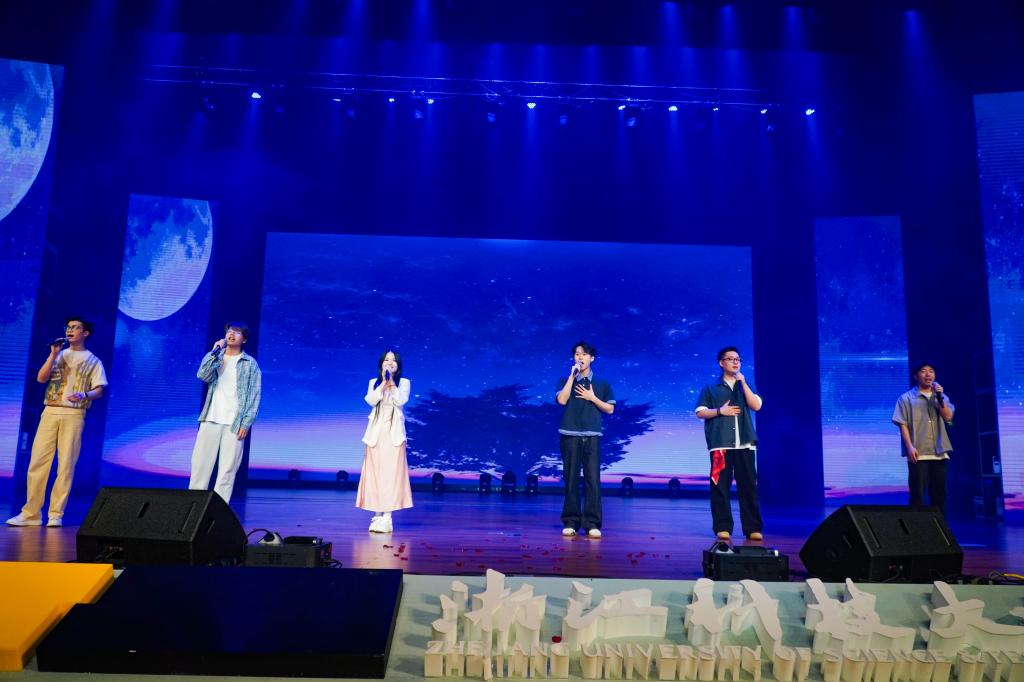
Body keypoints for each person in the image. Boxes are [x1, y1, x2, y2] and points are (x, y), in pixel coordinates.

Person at [7, 317, 108, 528]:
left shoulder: (93, 360)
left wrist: (84, 395)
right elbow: (41, 378)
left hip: (74, 414)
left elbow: (99, 389)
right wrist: (53, 354)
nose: (70, 330)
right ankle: (31, 514)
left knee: (66, 464)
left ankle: (55, 513)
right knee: (38, 461)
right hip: (50, 411)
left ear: (85, 333)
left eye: (75, 327)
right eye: (68, 327)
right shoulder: (59, 355)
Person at [695, 346, 764, 542]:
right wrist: (720, 411)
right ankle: (723, 526)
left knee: (748, 486)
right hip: (721, 445)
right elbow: (700, 412)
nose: (736, 362)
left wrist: (743, 383)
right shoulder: (711, 388)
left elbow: (756, 406)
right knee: (720, 487)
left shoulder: (746, 385)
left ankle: (752, 527)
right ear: (721, 363)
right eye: (731, 359)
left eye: (738, 359)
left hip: (745, 444)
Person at [188, 322, 261, 504]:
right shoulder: (217, 358)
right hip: (210, 419)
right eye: (229, 331)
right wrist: (214, 352)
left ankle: (219, 509)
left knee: (227, 470)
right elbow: (202, 375)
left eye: (237, 332)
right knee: (200, 466)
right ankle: (193, 505)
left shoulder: (250, 364)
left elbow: (254, 395)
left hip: (234, 424)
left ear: (244, 339)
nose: (231, 334)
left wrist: (246, 422)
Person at [556, 341, 615, 539]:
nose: (580, 357)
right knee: (571, 479)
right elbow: (562, 400)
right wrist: (572, 377)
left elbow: (610, 409)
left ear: (592, 358)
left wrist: (593, 397)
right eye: (576, 354)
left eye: (584, 354)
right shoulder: (566, 379)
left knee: (592, 480)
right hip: (570, 435)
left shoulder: (602, 383)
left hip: (592, 436)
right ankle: (571, 521)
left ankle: (592, 524)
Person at [357, 349, 413, 533]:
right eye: (387, 360)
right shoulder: (373, 382)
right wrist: (382, 383)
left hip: (394, 435)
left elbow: (401, 401)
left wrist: (391, 384)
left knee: (390, 475)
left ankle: (387, 517)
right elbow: (370, 400)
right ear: (381, 364)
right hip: (375, 434)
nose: (390, 363)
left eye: (393, 360)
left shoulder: (404, 382)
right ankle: (377, 515)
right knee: (375, 474)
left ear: (398, 365)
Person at [892, 362, 954, 513]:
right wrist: (909, 447)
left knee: (939, 496)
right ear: (916, 376)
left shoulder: (941, 397)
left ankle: (939, 526)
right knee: (917, 496)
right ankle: (916, 527)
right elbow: (902, 424)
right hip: (918, 454)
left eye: (931, 371)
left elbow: (948, 418)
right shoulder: (906, 398)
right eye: (924, 371)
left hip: (939, 453)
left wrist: (939, 398)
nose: (928, 374)